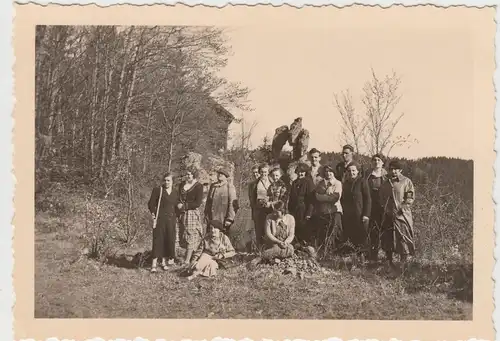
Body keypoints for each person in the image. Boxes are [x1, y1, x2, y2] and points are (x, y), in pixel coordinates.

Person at [379, 160, 416, 265]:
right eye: (391, 169)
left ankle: (403, 262)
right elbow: (381, 198)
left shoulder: (406, 181)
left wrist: (402, 208)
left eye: (396, 169)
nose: (393, 171)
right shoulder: (386, 182)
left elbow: (410, 197)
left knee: (403, 237)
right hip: (388, 215)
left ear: (400, 170)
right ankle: (389, 261)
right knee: (388, 237)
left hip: (402, 215)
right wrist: (386, 209)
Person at [341, 162, 372, 267]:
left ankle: (362, 262)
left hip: (361, 216)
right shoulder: (345, 184)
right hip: (349, 216)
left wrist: (366, 214)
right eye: (349, 171)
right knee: (352, 239)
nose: (351, 173)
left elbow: (368, 199)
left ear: (357, 171)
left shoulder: (362, 182)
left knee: (361, 238)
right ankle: (354, 262)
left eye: (353, 170)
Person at [147, 172, 179, 273]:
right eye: (165, 180)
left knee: (168, 240)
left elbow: (177, 206)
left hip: (171, 221)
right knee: (158, 241)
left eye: (168, 180)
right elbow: (151, 203)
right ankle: (154, 264)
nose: (166, 182)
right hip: (160, 220)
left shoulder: (175, 192)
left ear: (172, 181)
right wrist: (153, 214)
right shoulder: (158, 190)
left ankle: (164, 262)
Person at [308, 165, 343, 252]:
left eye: (330, 171)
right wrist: (326, 196)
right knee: (325, 231)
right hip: (324, 211)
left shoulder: (337, 183)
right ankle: (326, 251)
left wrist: (323, 197)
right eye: (326, 171)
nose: (328, 173)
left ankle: (336, 251)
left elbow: (335, 198)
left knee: (335, 231)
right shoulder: (321, 184)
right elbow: (317, 197)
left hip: (335, 211)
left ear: (333, 172)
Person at [177, 166, 205, 266]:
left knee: (191, 234)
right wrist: (178, 204)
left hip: (191, 213)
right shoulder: (181, 185)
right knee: (181, 233)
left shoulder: (198, 186)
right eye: (186, 174)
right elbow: (178, 197)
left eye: (189, 174)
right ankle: (181, 256)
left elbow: (198, 203)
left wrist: (184, 206)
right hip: (181, 213)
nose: (187, 176)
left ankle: (187, 260)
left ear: (194, 175)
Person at [365, 153, 388, 263]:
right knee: (373, 230)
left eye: (379, 160)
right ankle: (372, 255)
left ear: (382, 162)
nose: (376, 162)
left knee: (385, 230)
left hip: (384, 206)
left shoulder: (386, 176)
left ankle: (387, 256)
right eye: (374, 160)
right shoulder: (367, 175)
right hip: (371, 206)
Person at [288, 162, 314, 245]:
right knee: (296, 228)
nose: (300, 173)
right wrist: (290, 211)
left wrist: (309, 213)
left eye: (302, 172)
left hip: (304, 209)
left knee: (304, 229)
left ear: (305, 172)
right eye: (298, 171)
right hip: (295, 210)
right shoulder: (294, 183)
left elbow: (311, 200)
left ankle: (306, 248)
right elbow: (291, 198)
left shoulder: (308, 182)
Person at [204, 168, 238, 232]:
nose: (220, 175)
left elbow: (233, 204)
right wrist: (206, 214)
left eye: (222, 174)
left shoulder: (229, 187)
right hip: (211, 219)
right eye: (219, 173)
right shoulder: (213, 186)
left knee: (222, 239)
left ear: (226, 177)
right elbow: (208, 202)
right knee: (210, 238)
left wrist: (230, 219)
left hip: (222, 220)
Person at [253, 163, 273, 249]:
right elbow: (253, 198)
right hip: (259, 209)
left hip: (270, 209)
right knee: (259, 230)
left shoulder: (272, 182)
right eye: (261, 172)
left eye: (265, 172)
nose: (263, 174)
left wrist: (270, 203)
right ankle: (260, 250)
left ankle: (269, 249)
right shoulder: (255, 183)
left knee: (269, 229)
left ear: (268, 172)